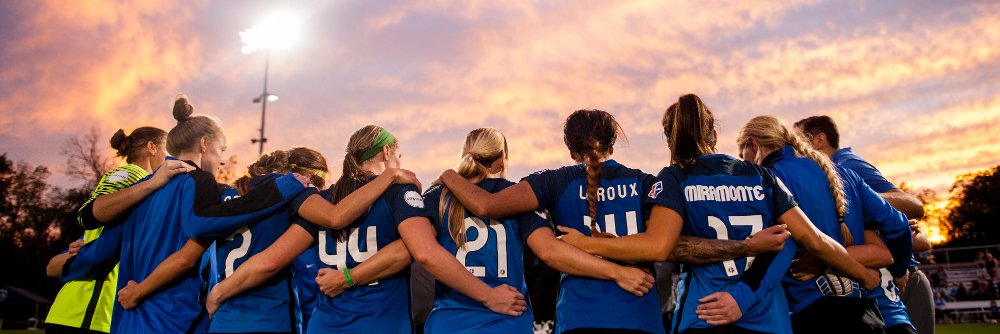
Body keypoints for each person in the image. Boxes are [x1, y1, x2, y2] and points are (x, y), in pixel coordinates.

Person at [561, 98, 876, 333]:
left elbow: (662, 245)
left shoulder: (674, 178)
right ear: (713, 132)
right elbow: (814, 240)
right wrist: (864, 274)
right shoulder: (760, 175)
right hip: (767, 318)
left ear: (669, 138)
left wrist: (595, 244)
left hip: (704, 314)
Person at [207, 125, 526, 334]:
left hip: (325, 324)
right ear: (387, 154)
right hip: (380, 322)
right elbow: (421, 251)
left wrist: (220, 290)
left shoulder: (323, 198)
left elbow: (271, 259)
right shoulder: (398, 191)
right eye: (398, 154)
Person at [60, 95, 310, 333]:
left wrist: (69, 262)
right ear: (203, 143)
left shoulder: (142, 190)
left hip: (127, 321)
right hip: (174, 318)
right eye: (221, 149)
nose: (221, 160)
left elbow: (98, 255)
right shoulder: (199, 181)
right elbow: (199, 230)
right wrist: (280, 189)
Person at [437, 109, 669, 334]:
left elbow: (486, 205)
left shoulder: (552, 182)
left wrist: (449, 175)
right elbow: (663, 244)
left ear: (570, 150)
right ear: (612, 142)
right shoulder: (645, 183)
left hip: (581, 316)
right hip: (640, 314)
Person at [738, 115, 900, 333]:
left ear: (752, 144)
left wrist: (740, 297)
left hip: (810, 309)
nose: (743, 162)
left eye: (742, 155)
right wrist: (900, 270)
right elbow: (897, 224)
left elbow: (784, 249)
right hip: (864, 311)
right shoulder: (844, 174)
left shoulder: (767, 180)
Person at [44, 127, 193, 334]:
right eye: (167, 149)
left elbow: (53, 266)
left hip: (105, 317)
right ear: (152, 147)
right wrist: (152, 182)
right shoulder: (133, 174)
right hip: (85, 315)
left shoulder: (139, 206)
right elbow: (92, 212)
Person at [796, 115, 934, 334]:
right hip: (874, 285)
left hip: (900, 281)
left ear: (819, 140)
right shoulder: (812, 177)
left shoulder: (846, 165)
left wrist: (856, 196)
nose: (793, 146)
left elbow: (914, 205)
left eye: (798, 138)